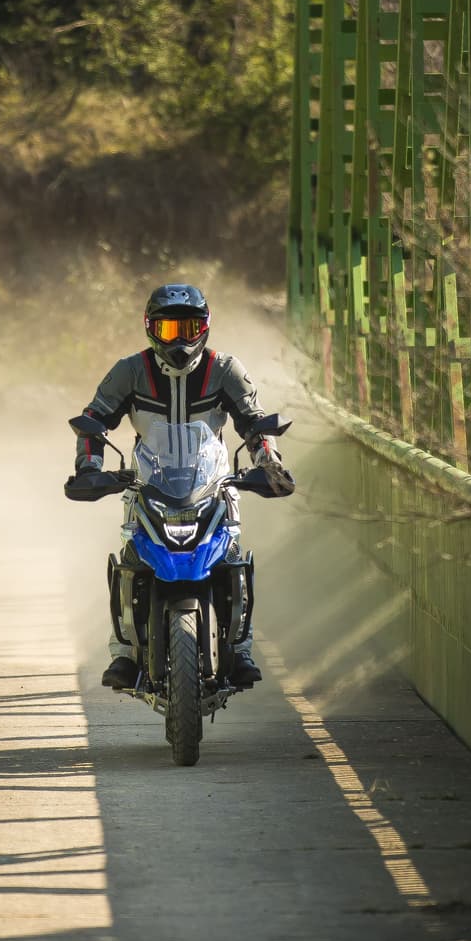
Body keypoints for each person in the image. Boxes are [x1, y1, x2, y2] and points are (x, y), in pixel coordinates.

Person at [65, 282, 293, 692]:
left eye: (189, 328)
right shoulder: (129, 370)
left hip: (212, 482)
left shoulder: (225, 368)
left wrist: (270, 464)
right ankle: (122, 651)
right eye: (170, 330)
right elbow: (93, 420)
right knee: (131, 558)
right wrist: (89, 466)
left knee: (232, 557)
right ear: (151, 329)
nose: (181, 340)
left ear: (205, 327)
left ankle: (241, 648)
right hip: (147, 482)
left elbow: (255, 422)